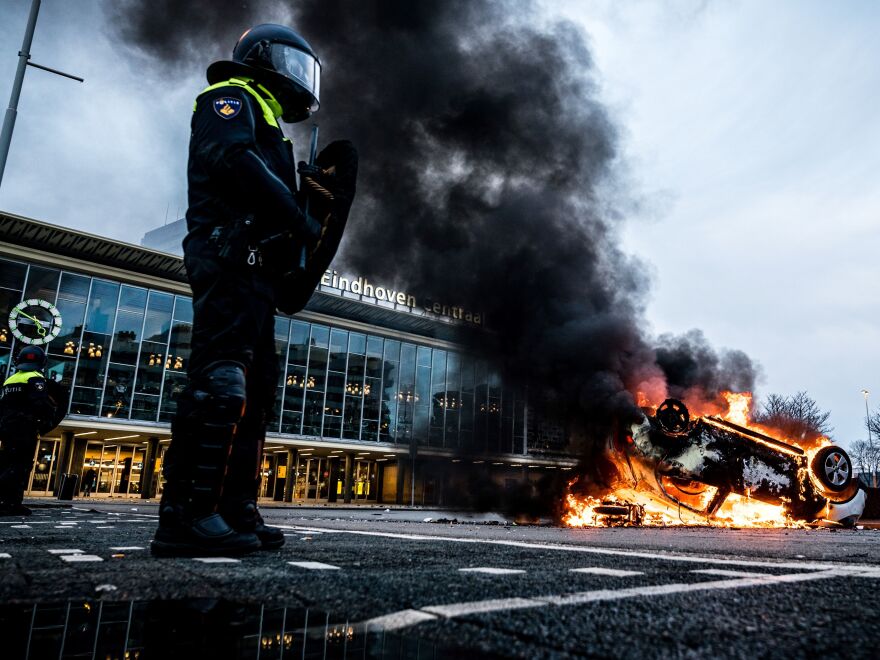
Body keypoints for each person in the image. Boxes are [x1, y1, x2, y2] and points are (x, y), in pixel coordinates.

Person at [152, 24, 357, 557]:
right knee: (219, 380)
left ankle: (235, 505)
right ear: (261, 57)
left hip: (258, 271)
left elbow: (263, 181)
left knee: (257, 390)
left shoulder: (269, 119)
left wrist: (313, 203)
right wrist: (295, 212)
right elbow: (233, 161)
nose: (298, 77)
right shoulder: (229, 97)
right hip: (225, 254)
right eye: (291, 61)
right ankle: (187, 516)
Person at [0, 346, 67, 515]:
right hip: (24, 428)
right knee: (20, 466)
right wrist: (46, 421)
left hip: (7, 428)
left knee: (8, 462)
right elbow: (40, 404)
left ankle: (12, 503)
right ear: (42, 362)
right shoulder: (35, 378)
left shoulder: (10, 380)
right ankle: (10, 502)